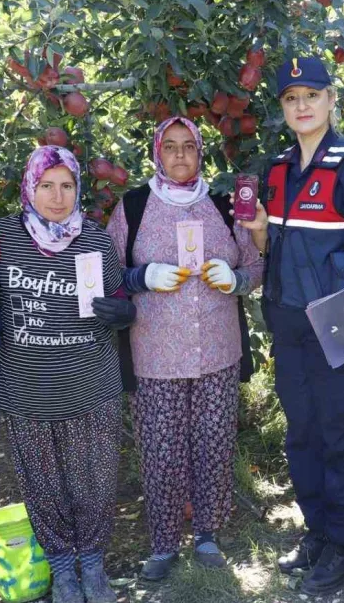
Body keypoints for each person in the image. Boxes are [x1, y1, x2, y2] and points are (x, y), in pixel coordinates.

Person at [238, 56, 344, 596]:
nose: (301, 106)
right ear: (282, 108)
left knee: (340, 438)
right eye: (290, 98)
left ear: (332, 100)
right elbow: (274, 250)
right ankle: (317, 533)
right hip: (289, 326)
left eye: (311, 95)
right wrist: (259, 231)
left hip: (341, 330)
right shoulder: (277, 169)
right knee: (302, 434)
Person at [105, 116, 264, 580]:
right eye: (170, 146)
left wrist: (236, 280)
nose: (179, 155)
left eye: (188, 147)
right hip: (156, 355)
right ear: (157, 152)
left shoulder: (220, 206)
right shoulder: (133, 207)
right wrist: (142, 277)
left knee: (214, 443)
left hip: (217, 350)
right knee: (160, 449)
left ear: (200, 153)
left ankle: (208, 533)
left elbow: (255, 266)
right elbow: (107, 274)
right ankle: (163, 541)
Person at [0, 145, 136, 603]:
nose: (57, 197)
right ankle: (62, 570)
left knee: (93, 480)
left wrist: (121, 312)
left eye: (67, 186)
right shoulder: (2, 240)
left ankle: (92, 566)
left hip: (90, 384)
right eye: (46, 185)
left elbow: (120, 297)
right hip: (25, 390)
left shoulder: (94, 240)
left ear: (78, 189)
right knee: (42, 483)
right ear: (29, 188)